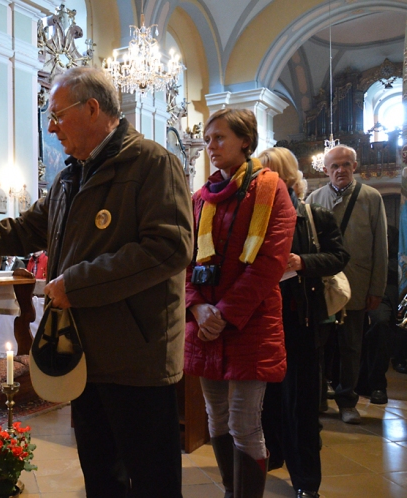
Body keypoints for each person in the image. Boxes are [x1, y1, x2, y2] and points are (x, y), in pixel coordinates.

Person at [0, 66, 193, 497]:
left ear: (93, 108)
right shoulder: (68, 178)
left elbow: (169, 249)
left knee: (152, 479)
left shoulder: (152, 163)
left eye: (58, 114)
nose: (51, 126)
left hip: (137, 356)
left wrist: (75, 284)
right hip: (83, 353)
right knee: (101, 474)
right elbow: (20, 231)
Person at [184, 109, 296, 498]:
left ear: (245, 141)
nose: (210, 146)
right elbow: (188, 261)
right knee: (216, 416)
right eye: (207, 139)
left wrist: (225, 314)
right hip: (204, 325)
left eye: (219, 138)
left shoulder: (271, 189)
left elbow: (270, 262)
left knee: (244, 422)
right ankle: (233, 492)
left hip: (251, 323)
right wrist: (197, 308)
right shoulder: (201, 197)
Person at [258, 147, 349, 498]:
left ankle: (306, 483)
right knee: (267, 401)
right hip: (263, 320)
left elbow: (340, 256)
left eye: (266, 174)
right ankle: (272, 456)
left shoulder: (315, 216)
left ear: (283, 177)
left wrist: (302, 260)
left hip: (301, 321)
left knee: (301, 405)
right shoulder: (255, 216)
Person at [307, 144, 388, 423]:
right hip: (324, 287)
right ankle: (317, 398)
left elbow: (381, 246)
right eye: (334, 166)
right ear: (326, 169)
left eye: (345, 165)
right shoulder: (314, 199)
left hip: (357, 283)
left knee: (351, 346)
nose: (340, 170)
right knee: (318, 346)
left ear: (355, 166)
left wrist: (376, 288)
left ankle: (347, 400)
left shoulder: (371, 197)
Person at [357, 225, 399, 404]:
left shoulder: (396, 232)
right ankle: (375, 385)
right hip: (374, 289)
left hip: (394, 291)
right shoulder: (373, 230)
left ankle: (377, 383)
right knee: (379, 324)